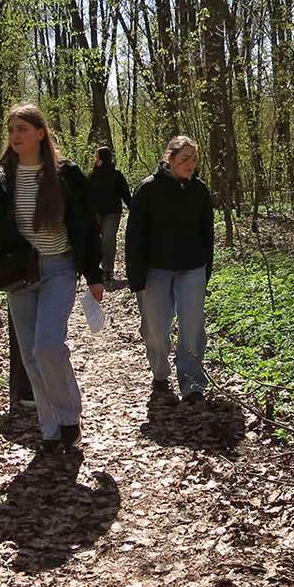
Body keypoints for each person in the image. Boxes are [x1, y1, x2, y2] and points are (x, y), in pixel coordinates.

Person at [0, 103, 103, 452]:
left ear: (40, 133)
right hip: (18, 273)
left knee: (47, 346)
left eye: (22, 129)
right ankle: (51, 429)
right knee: (29, 355)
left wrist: (94, 274)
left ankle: (69, 417)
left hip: (59, 268)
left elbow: (87, 227)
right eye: (11, 130)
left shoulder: (66, 175)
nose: (15, 136)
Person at [124, 135, 214, 404]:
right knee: (156, 328)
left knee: (192, 327)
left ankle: (192, 383)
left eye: (194, 159)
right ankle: (160, 373)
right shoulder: (148, 190)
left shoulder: (199, 191)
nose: (190, 164)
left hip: (192, 269)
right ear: (169, 159)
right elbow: (134, 236)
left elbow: (207, 234)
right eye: (184, 159)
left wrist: (206, 269)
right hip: (156, 271)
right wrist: (136, 276)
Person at [88, 146, 132, 283]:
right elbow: (86, 195)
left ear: (102, 158)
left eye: (98, 157)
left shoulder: (116, 175)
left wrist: (133, 208)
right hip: (96, 213)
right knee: (96, 241)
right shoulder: (93, 175)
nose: (96, 160)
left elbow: (125, 193)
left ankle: (108, 271)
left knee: (108, 240)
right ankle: (95, 270)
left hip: (112, 213)